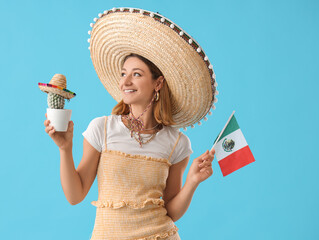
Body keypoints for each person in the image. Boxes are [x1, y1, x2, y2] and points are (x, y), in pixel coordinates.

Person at [44, 8, 217, 240]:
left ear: (158, 83)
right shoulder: (102, 128)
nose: (125, 81)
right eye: (123, 73)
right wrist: (65, 149)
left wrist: (193, 181)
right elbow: (75, 196)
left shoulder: (177, 143)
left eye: (136, 74)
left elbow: (171, 212)